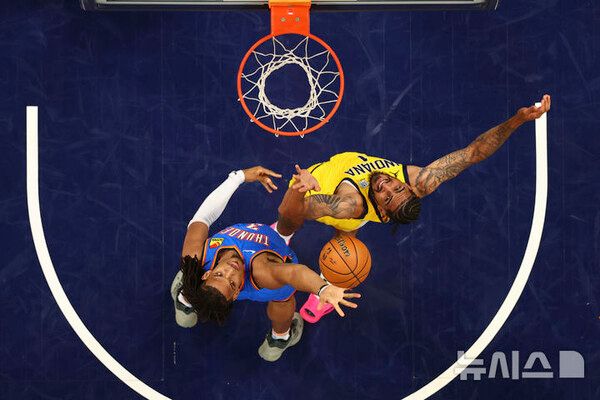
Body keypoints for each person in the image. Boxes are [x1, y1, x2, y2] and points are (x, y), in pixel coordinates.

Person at [273, 95, 551, 322]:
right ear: (409, 188)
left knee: (319, 231)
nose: (386, 185)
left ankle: (314, 271)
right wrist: (517, 120)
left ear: (382, 211)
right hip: (348, 187)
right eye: (397, 188)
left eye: (386, 196)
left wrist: (300, 188)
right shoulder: (419, 182)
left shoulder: (347, 205)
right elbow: (473, 153)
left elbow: (293, 211)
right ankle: (315, 264)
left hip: (319, 184)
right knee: (343, 237)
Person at [170, 166, 361, 362]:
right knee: (283, 301)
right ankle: (279, 339)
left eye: (219, 274)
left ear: (207, 274)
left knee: (190, 273)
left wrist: (238, 177)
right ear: (236, 294)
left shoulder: (196, 257)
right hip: (275, 273)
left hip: (254, 251)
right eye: (232, 283)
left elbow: (203, 217)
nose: (230, 271)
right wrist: (322, 288)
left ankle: (186, 302)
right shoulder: (263, 272)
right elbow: (294, 274)